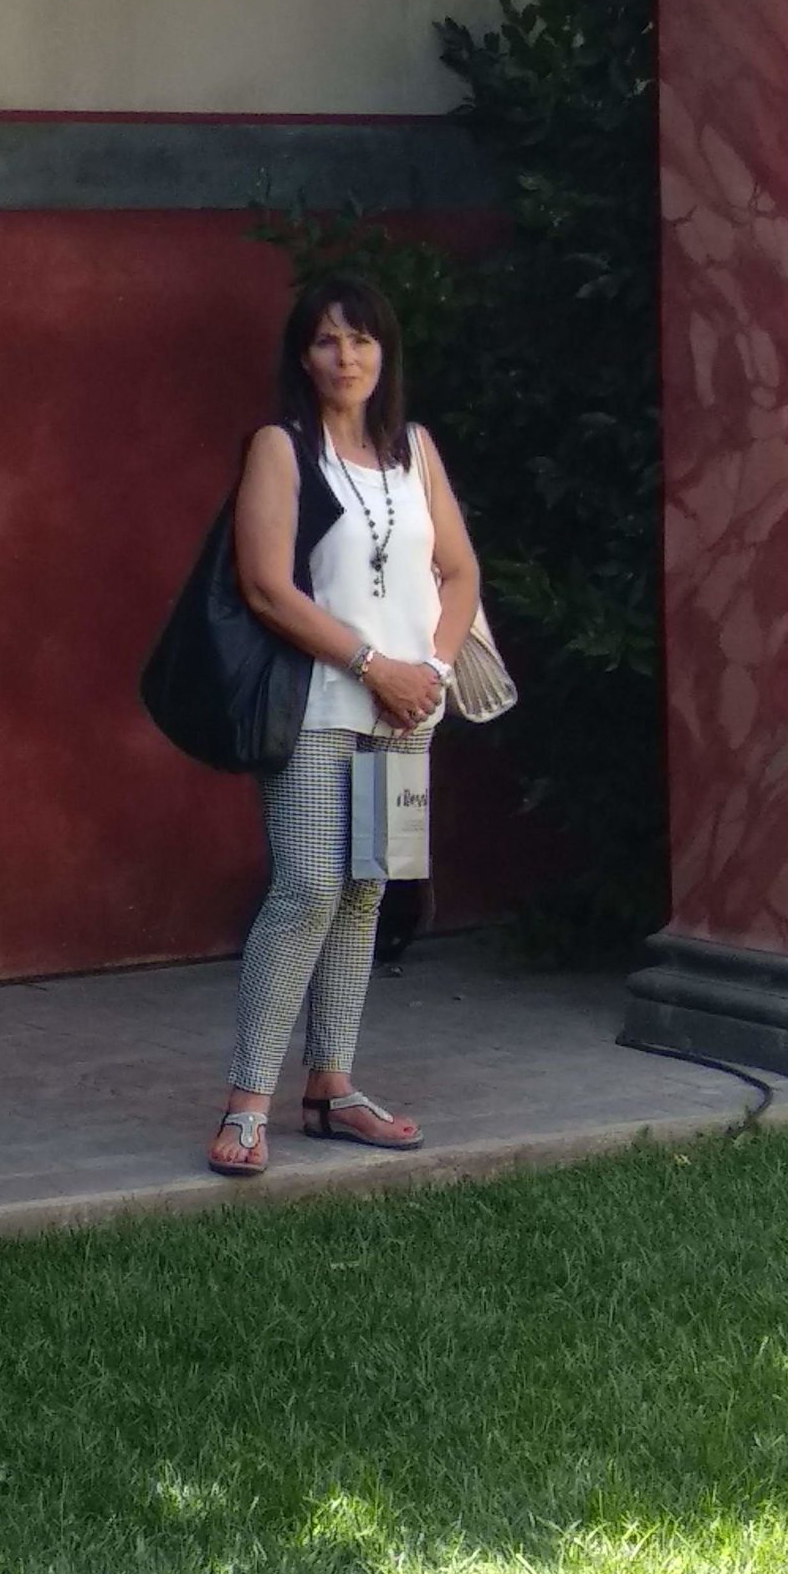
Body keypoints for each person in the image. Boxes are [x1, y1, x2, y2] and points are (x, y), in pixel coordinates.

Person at [207, 273, 481, 1176]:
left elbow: (459, 573)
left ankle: (331, 1088)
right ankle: (248, 1102)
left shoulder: (416, 450)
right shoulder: (281, 448)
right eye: (328, 340)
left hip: (408, 711)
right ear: (303, 355)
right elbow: (264, 587)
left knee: (367, 887)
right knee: (308, 888)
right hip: (318, 705)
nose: (347, 357)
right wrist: (374, 667)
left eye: (362, 340)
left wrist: (432, 672)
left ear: (383, 353)